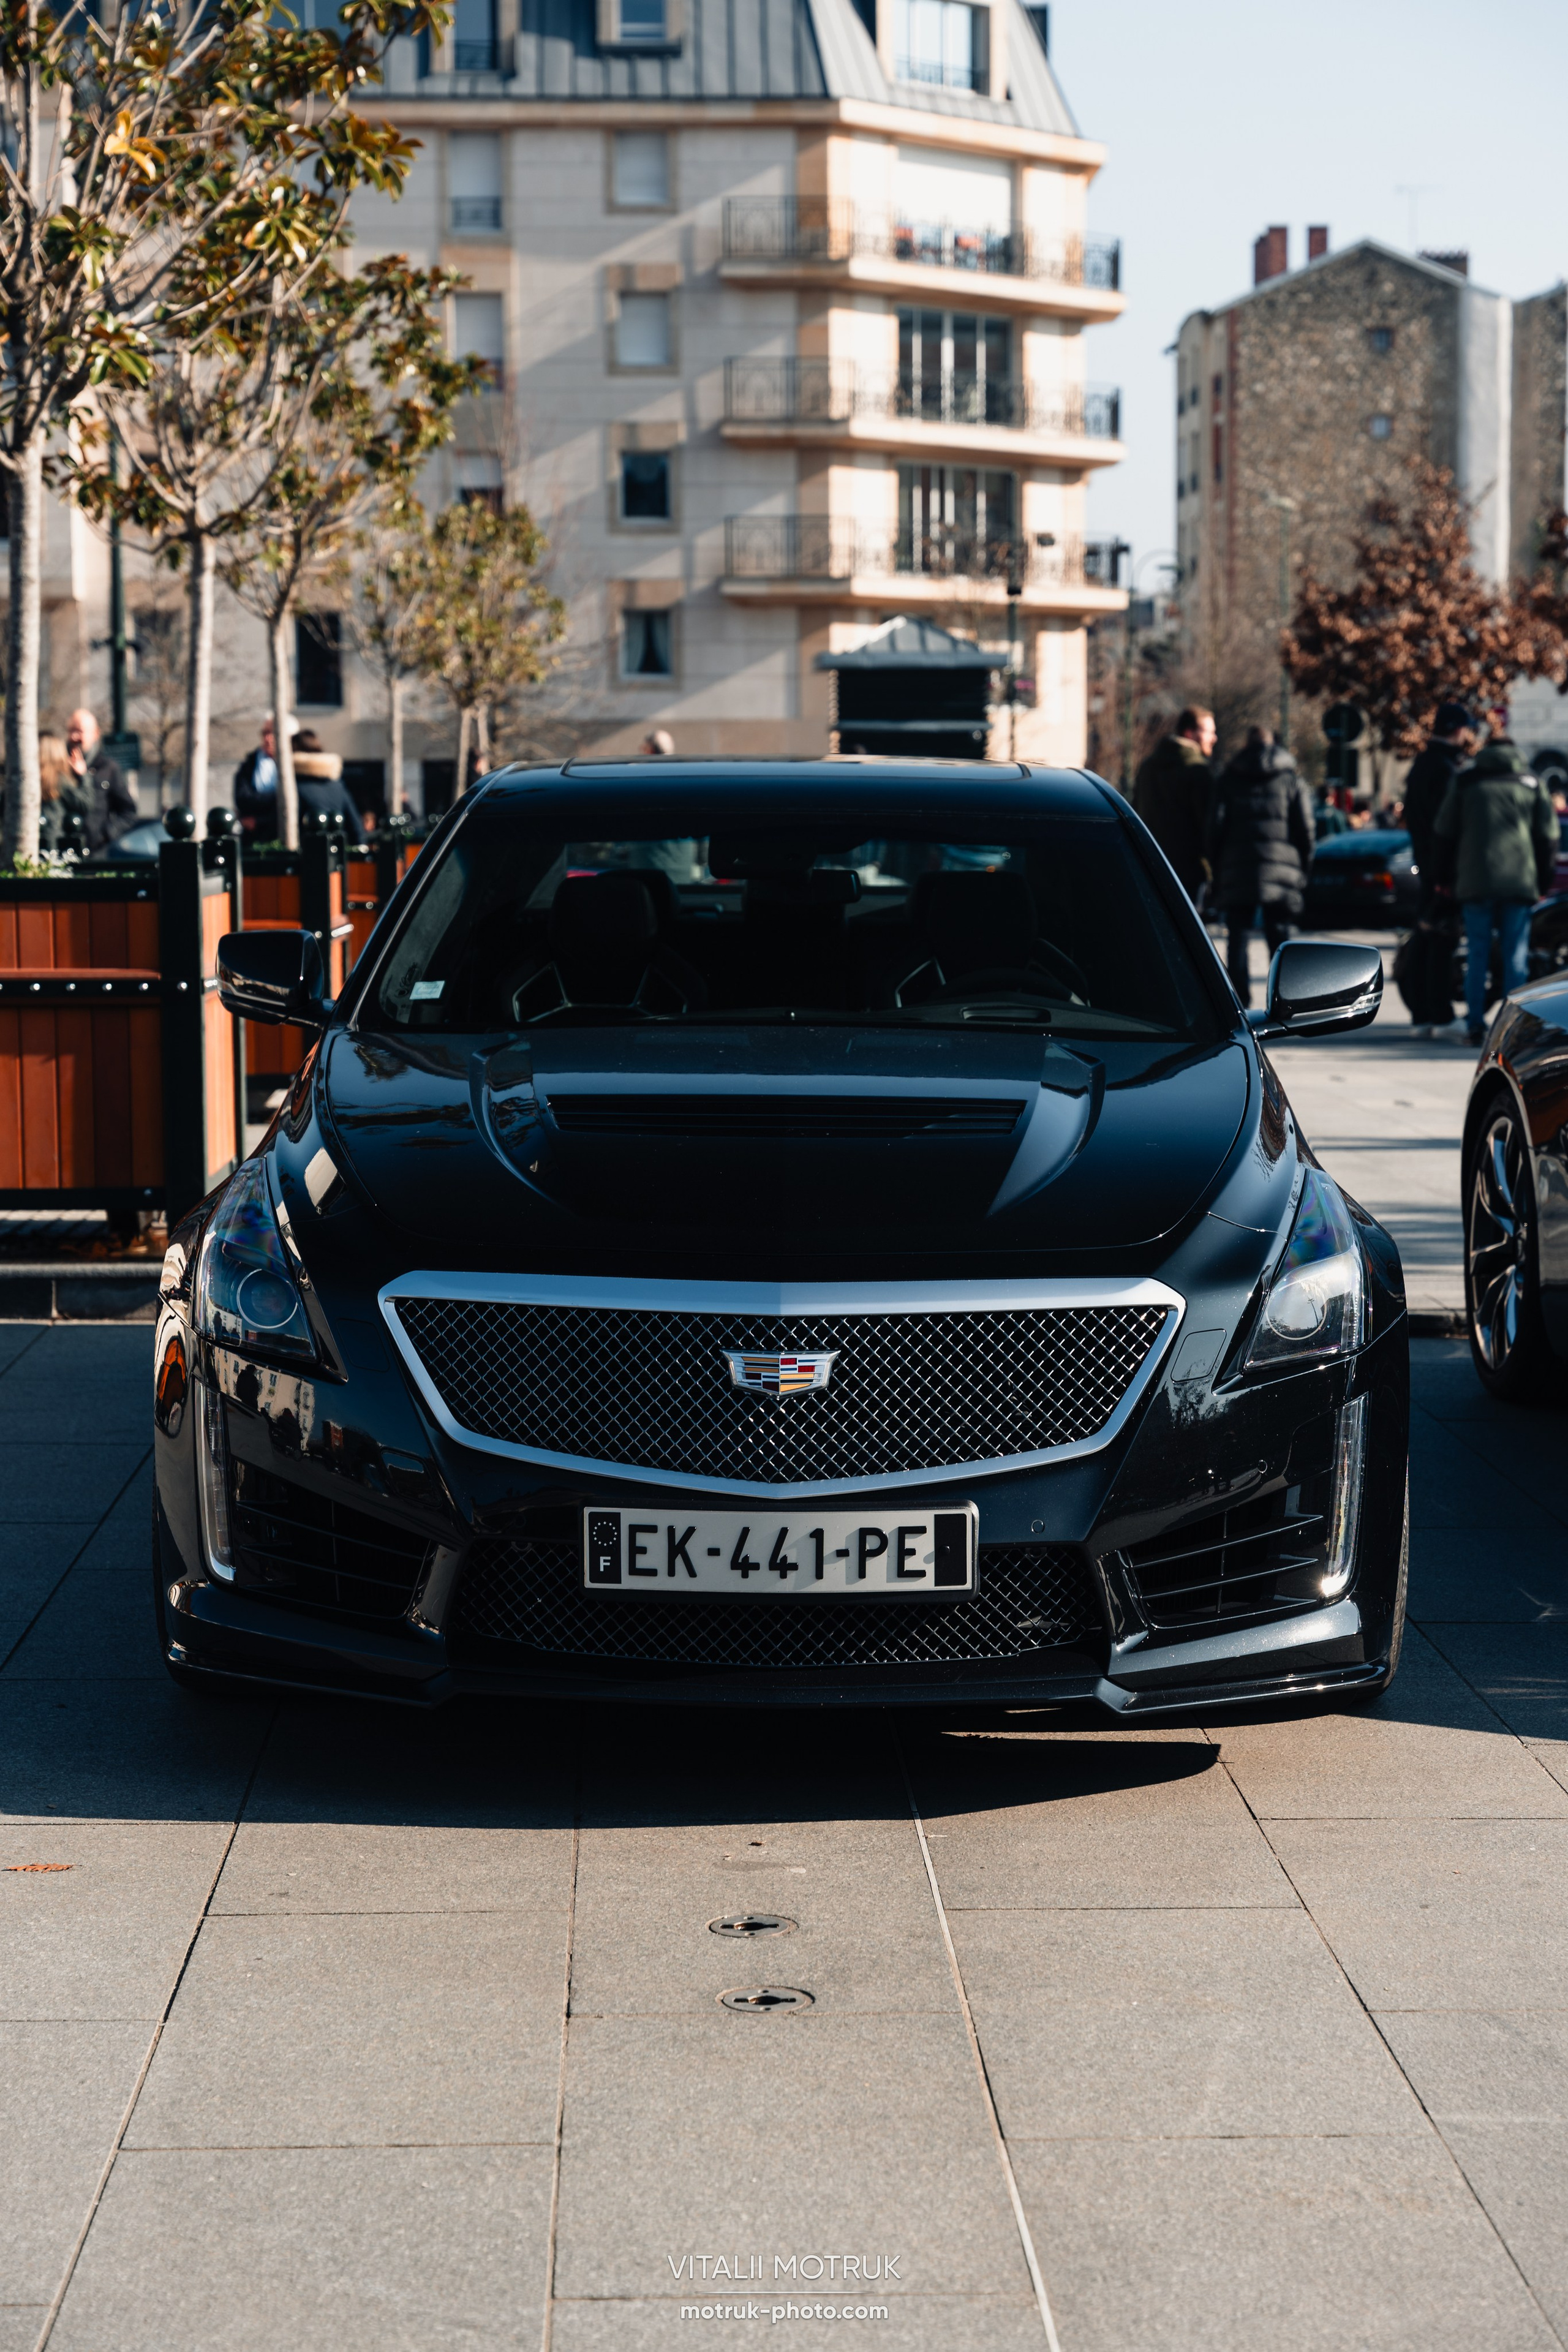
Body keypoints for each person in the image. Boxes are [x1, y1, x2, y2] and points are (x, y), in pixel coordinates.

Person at [1433, 706, 1558, 1046]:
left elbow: (1444, 834)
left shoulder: (1466, 781)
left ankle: (1475, 1024)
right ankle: (1514, 1028)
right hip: (1519, 882)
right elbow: (1548, 838)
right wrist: (1542, 882)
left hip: (1474, 881)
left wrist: (1443, 877)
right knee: (1515, 954)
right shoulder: (1532, 782)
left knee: (1477, 953)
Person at [1208, 725, 1315, 1006]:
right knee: (1280, 936)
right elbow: (1306, 829)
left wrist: (1218, 869)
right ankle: (1284, 999)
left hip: (1238, 868)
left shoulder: (1229, 779)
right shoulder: (1291, 779)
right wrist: (1303, 867)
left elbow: (1215, 828)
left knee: (1238, 936)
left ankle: (1239, 1000)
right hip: (1282, 868)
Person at [1398, 701, 1475, 1035]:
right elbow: (1446, 828)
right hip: (1440, 866)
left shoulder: (1422, 765)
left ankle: (1422, 1014)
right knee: (1442, 940)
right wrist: (1446, 873)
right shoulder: (1446, 769)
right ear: (1457, 729)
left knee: (1427, 937)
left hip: (1424, 860)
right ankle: (1439, 1014)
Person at [1131, 706, 1215, 899]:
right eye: (1209, 732)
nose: (1214, 738)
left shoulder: (1148, 767)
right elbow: (1208, 827)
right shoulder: (1198, 772)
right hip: (1190, 870)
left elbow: (1136, 812)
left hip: (1151, 865)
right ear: (1189, 733)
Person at [64, 707, 137, 852]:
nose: (74, 737)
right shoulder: (57, 765)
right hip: (62, 849)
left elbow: (128, 812)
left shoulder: (108, 768)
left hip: (96, 852)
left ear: (95, 734)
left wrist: (105, 835)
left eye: (80, 731)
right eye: (71, 730)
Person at [292, 731, 367, 844]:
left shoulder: (294, 787)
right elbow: (356, 827)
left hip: (307, 856)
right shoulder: (337, 786)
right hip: (336, 852)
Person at [233, 715, 286, 842]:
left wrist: (261, 820)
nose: (268, 739)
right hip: (254, 835)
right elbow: (242, 798)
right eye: (265, 733)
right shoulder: (250, 764)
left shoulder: (295, 764)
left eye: (273, 733)